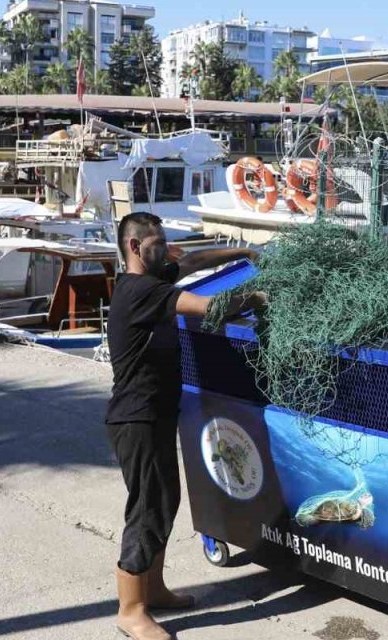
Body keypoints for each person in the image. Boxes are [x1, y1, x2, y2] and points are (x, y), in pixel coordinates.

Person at [105, 212, 263, 640]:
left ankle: (153, 589)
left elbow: (193, 262)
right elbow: (211, 309)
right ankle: (130, 610)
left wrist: (242, 252)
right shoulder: (141, 291)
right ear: (135, 247)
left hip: (154, 414)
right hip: (136, 418)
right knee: (147, 510)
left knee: (165, 500)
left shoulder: (152, 279)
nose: (166, 248)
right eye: (157, 242)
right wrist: (257, 297)